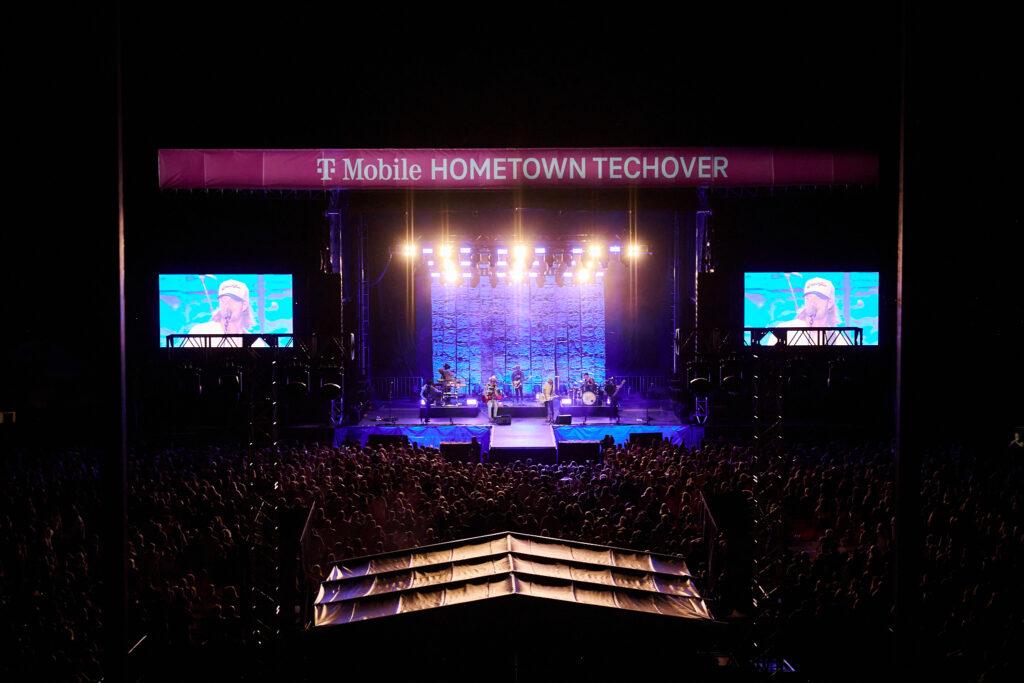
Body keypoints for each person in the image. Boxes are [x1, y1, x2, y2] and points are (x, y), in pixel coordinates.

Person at [772, 277, 849, 346]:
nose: (812, 302)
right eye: (808, 298)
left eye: (818, 298)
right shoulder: (784, 330)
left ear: (829, 303)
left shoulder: (839, 339)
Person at [186, 279, 260, 347]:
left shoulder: (255, 342)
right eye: (223, 299)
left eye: (233, 300)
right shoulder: (200, 332)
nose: (227, 304)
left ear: (244, 305)